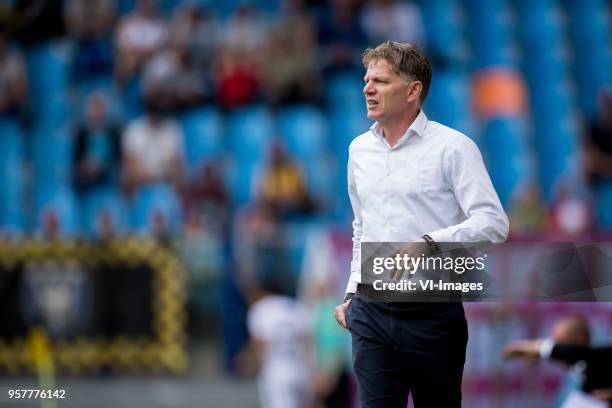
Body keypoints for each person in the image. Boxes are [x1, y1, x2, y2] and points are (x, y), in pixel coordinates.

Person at [333, 41, 509, 407]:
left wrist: (428, 242)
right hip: (369, 309)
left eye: (380, 81)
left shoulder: (453, 147)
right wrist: (351, 292)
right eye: (367, 79)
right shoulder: (357, 150)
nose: (367, 88)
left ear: (413, 90)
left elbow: (494, 223)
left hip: (431, 311)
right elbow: (361, 227)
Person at [503, 319, 612, 406]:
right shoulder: (573, 374)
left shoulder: (600, 359)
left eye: (559, 344)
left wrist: (535, 347)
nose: (558, 350)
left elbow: (576, 353)